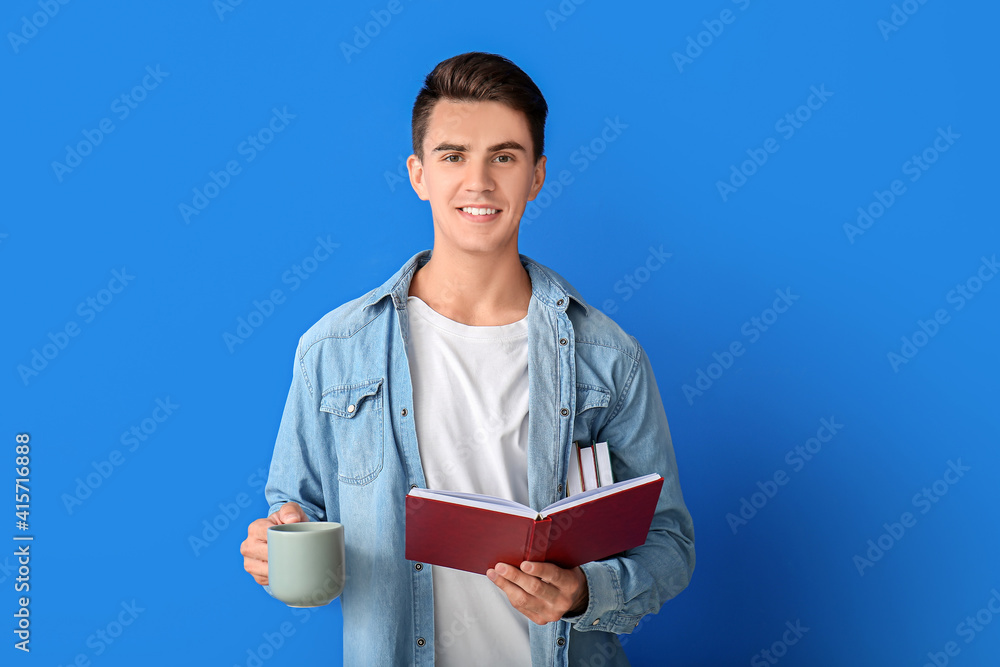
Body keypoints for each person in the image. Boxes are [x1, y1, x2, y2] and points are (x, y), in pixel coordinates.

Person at [240, 51, 695, 666]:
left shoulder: (610, 358)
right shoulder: (332, 350)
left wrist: (586, 590)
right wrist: (275, 548)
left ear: (535, 176)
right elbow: (295, 517)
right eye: (453, 155)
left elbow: (667, 543)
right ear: (418, 173)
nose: (478, 182)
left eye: (503, 157)